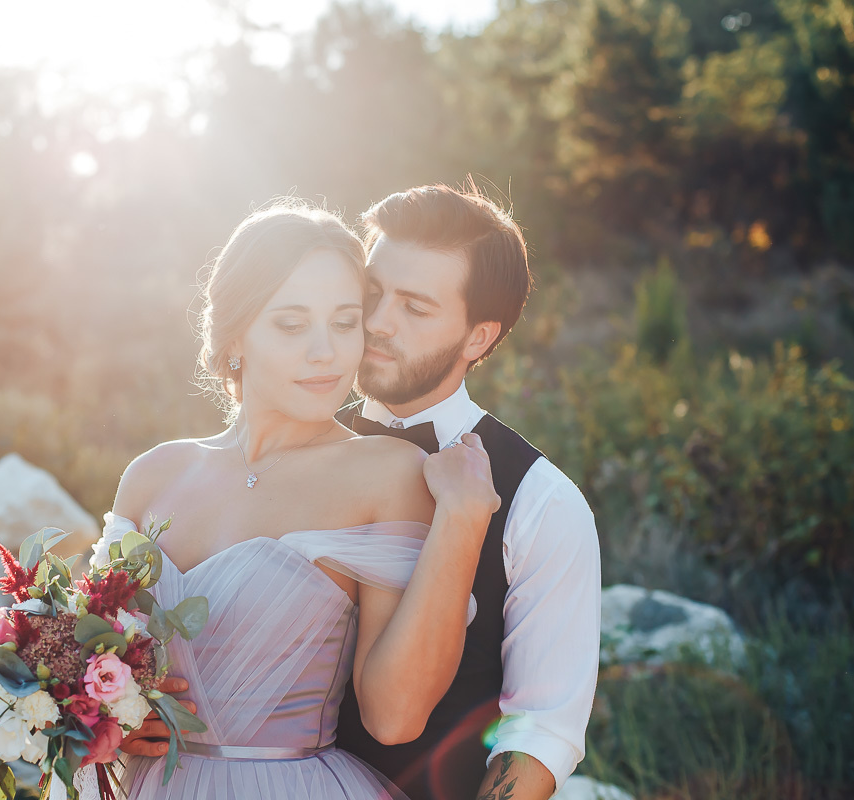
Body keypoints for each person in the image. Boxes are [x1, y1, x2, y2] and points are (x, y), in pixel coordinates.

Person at [58, 200, 500, 799]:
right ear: (236, 334)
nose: (327, 352)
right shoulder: (152, 475)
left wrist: (464, 519)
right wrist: (108, 719)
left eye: (346, 323)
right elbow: (86, 658)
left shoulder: (386, 474)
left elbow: (395, 717)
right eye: (292, 325)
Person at [334, 184, 601, 800]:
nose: (377, 321)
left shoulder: (543, 503)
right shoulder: (297, 445)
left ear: (478, 338)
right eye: (374, 292)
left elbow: (539, 731)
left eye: (416, 308)